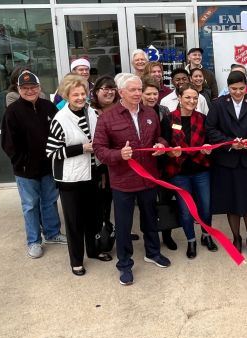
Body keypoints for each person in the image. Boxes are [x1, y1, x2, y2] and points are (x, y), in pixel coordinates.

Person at [93, 74, 171, 286]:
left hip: (148, 179)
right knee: (124, 225)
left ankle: (153, 253)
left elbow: (159, 137)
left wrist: (161, 145)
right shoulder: (107, 118)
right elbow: (99, 150)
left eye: (139, 89)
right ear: (121, 93)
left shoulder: (150, 113)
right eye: (133, 90)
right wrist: (119, 155)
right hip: (123, 183)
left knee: (150, 219)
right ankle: (125, 264)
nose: (138, 94)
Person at [46, 75, 113, 276]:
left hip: (92, 174)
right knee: (74, 222)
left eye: (83, 93)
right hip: (70, 179)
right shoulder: (60, 119)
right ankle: (76, 260)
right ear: (67, 95)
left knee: (93, 217)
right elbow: (52, 152)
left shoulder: (91, 112)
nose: (80, 97)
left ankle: (93, 251)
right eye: (75, 94)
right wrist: (82, 148)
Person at [1, 71, 67, 259]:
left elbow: (59, 133)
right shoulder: (12, 112)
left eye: (33, 87)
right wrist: (21, 162)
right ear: (19, 89)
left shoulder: (48, 107)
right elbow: (8, 143)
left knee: (50, 202)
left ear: (39, 88)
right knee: (30, 205)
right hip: (25, 170)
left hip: (48, 167)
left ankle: (53, 234)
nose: (30, 91)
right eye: (25, 88)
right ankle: (34, 241)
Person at [206, 71, 247, 257]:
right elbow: (210, 129)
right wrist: (228, 143)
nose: (238, 92)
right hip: (227, 162)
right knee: (231, 203)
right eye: (233, 89)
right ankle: (236, 237)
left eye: (241, 88)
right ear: (228, 87)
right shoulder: (218, 105)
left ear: (246, 86)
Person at [161, 83, 217, 259]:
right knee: (185, 211)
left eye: (195, 98)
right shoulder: (169, 119)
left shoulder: (202, 118)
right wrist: (170, 151)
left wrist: (209, 148)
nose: (192, 101)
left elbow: (209, 140)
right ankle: (191, 240)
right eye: (187, 97)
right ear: (179, 97)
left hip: (201, 170)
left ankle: (206, 236)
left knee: (206, 208)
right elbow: (164, 142)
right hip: (179, 173)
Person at [141, 76, 178, 251]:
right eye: (148, 93)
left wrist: (163, 144)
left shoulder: (163, 110)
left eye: (155, 93)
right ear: (141, 94)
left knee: (165, 201)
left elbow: (169, 135)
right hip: (143, 166)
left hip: (163, 163)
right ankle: (151, 238)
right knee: (147, 204)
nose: (151, 97)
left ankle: (167, 235)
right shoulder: (136, 112)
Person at [90, 75, 119, 246]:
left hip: (118, 161)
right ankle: (101, 234)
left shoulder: (120, 109)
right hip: (98, 165)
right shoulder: (90, 111)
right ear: (96, 92)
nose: (109, 92)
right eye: (105, 89)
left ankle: (117, 229)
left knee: (116, 199)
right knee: (100, 201)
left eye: (112, 89)